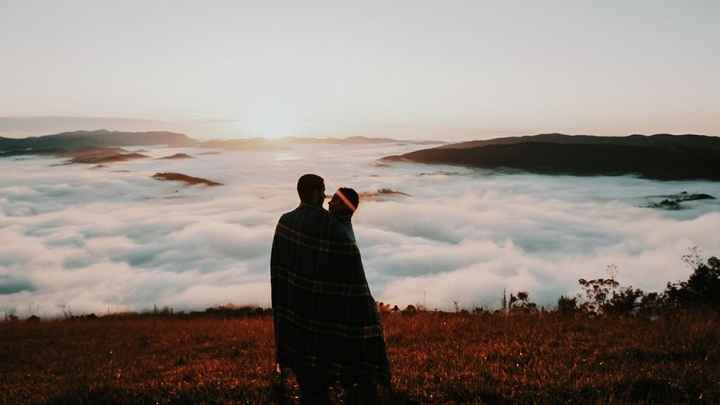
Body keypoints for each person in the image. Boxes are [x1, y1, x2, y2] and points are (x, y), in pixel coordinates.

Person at [270, 175, 390, 404]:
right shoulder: (332, 227)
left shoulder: (284, 222)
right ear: (315, 193)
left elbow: (279, 270)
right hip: (324, 312)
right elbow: (352, 277)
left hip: (295, 308)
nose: (326, 198)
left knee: (309, 385)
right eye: (323, 191)